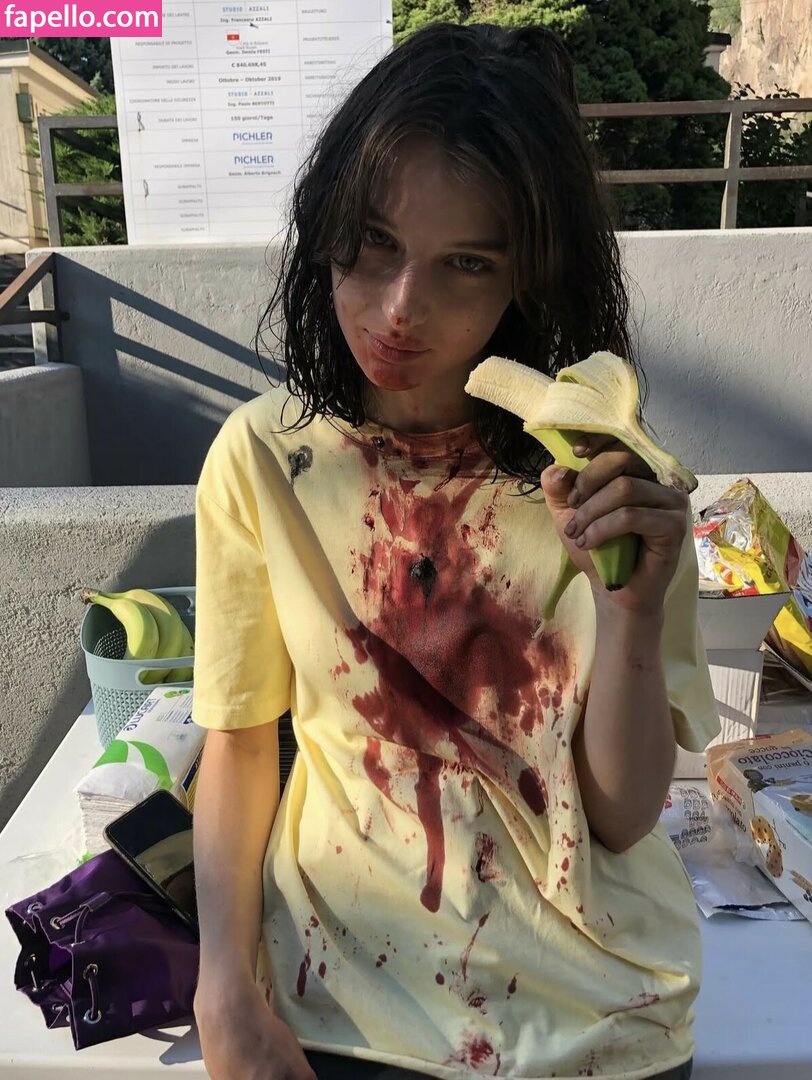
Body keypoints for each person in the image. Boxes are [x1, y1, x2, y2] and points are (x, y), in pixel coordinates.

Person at [190, 21, 719, 1080]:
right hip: (342, 1003)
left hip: (598, 1017)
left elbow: (620, 817)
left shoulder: (601, 479)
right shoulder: (264, 458)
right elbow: (240, 743)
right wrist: (223, 986)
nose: (400, 309)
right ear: (325, 226)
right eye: (373, 242)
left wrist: (629, 610)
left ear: (529, 280)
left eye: (465, 264)